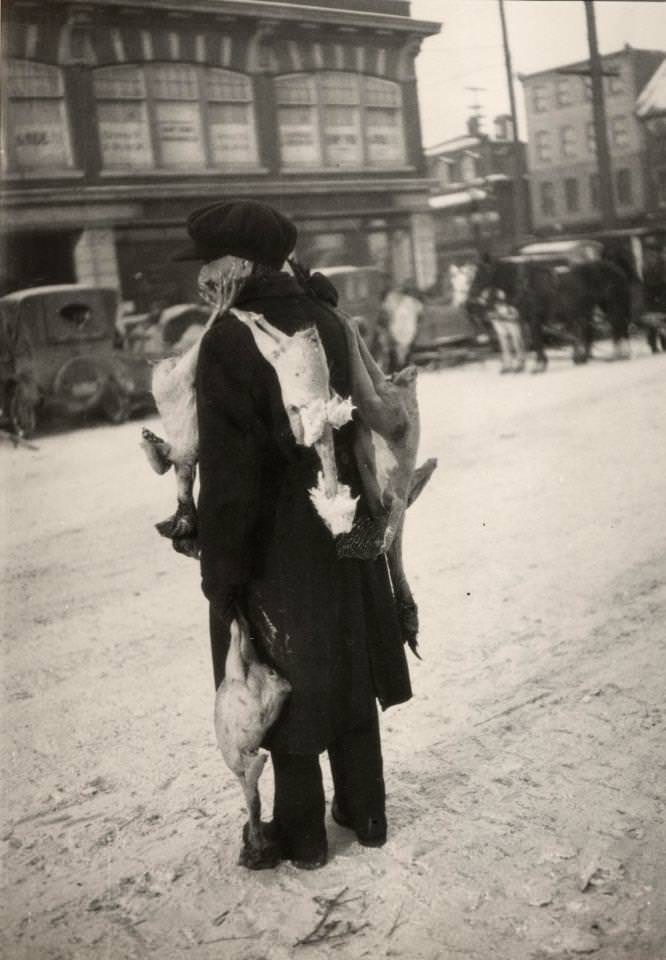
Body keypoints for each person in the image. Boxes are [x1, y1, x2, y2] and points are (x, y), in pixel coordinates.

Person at [177, 200, 413, 870]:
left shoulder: (229, 337)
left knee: (282, 678)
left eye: (208, 262)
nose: (200, 277)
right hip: (344, 530)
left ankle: (303, 834)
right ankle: (367, 811)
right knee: (348, 662)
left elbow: (231, 476)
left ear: (239, 262)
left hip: (276, 544)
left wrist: (219, 572)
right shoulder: (327, 317)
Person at [382, 281, 423, 371]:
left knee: (402, 349)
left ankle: (400, 366)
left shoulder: (407, 301)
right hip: (401, 329)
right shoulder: (395, 300)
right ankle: (399, 366)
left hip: (403, 329)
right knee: (400, 349)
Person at [486, 287, 525, 373]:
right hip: (498, 318)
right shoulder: (490, 291)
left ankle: (520, 362)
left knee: (516, 340)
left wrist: (509, 314)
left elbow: (515, 313)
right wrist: (493, 315)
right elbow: (489, 310)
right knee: (504, 342)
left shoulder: (508, 288)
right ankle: (507, 363)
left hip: (509, 314)